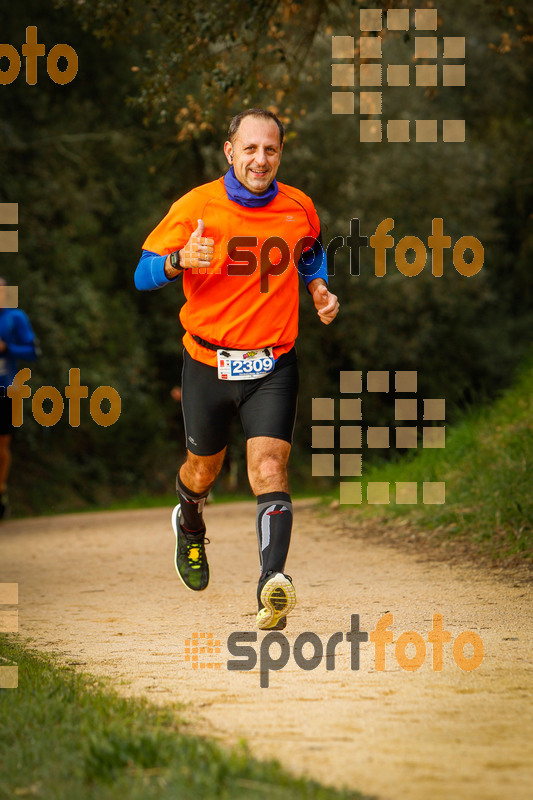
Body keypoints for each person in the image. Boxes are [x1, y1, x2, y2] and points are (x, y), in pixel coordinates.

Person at [135, 109, 339, 629]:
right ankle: (190, 521)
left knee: (269, 469)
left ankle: (273, 582)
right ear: (230, 152)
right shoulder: (197, 205)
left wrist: (318, 288)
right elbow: (141, 274)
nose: (260, 159)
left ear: (281, 154)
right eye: (250, 148)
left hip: (273, 362)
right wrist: (181, 260)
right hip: (208, 361)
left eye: (270, 149)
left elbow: (310, 253)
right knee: (202, 470)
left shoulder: (299, 208)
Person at [0, 279, 38, 518]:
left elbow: (33, 352)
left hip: (7, 389)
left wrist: (7, 348)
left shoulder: (16, 317)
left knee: (2, 445)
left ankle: (0, 490)